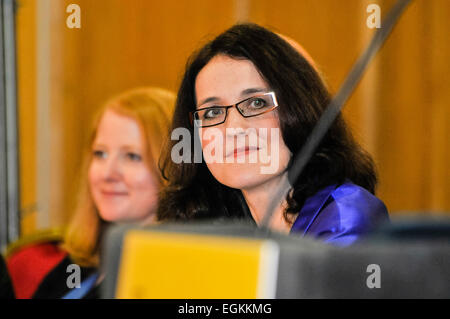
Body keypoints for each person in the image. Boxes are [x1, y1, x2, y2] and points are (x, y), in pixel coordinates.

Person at [158, 23, 389, 246]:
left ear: (300, 107)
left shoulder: (345, 216)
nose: (233, 128)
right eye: (213, 112)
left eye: (256, 103)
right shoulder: (211, 226)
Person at [7, 87, 175, 298]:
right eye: (100, 153)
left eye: (132, 156)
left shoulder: (176, 277)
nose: (108, 173)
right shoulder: (76, 264)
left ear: (175, 169)